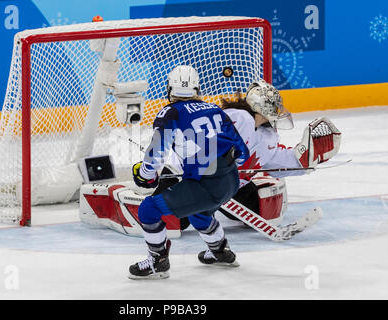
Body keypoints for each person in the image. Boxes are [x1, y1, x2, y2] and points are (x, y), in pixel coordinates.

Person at [128, 65, 250, 280]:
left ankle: (158, 262)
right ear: (197, 88)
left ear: (169, 89)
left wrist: (146, 175)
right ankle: (220, 252)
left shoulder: (170, 112)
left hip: (205, 186)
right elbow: (243, 154)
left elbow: (156, 153)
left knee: (148, 209)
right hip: (231, 182)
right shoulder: (215, 110)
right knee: (198, 212)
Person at [218, 80, 341, 221]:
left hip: (233, 188)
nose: (277, 110)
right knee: (187, 217)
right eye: (274, 106)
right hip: (205, 181)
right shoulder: (236, 118)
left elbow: (275, 161)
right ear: (262, 106)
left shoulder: (267, 135)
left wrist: (307, 157)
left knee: (260, 211)